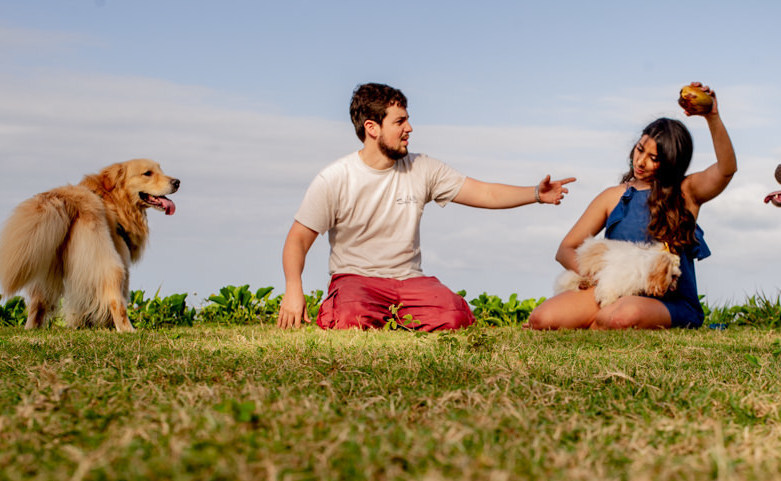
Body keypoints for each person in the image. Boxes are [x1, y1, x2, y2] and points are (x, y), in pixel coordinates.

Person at [278, 83, 575, 331]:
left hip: (409, 282)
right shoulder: (334, 178)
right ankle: (378, 317)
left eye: (407, 120)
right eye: (399, 122)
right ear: (372, 128)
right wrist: (293, 288)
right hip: (356, 280)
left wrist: (536, 194)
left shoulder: (422, 168)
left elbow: (485, 193)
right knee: (346, 318)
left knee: (455, 316)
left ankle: (395, 318)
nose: (409, 128)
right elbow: (298, 239)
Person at [526, 82, 736, 330]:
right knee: (541, 319)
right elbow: (565, 249)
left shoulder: (686, 191)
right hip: (613, 292)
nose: (641, 161)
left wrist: (712, 117)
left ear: (671, 162)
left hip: (668, 302)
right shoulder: (613, 196)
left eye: (654, 158)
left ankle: (599, 323)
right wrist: (600, 277)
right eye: (640, 150)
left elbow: (726, 170)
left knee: (618, 317)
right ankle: (598, 321)